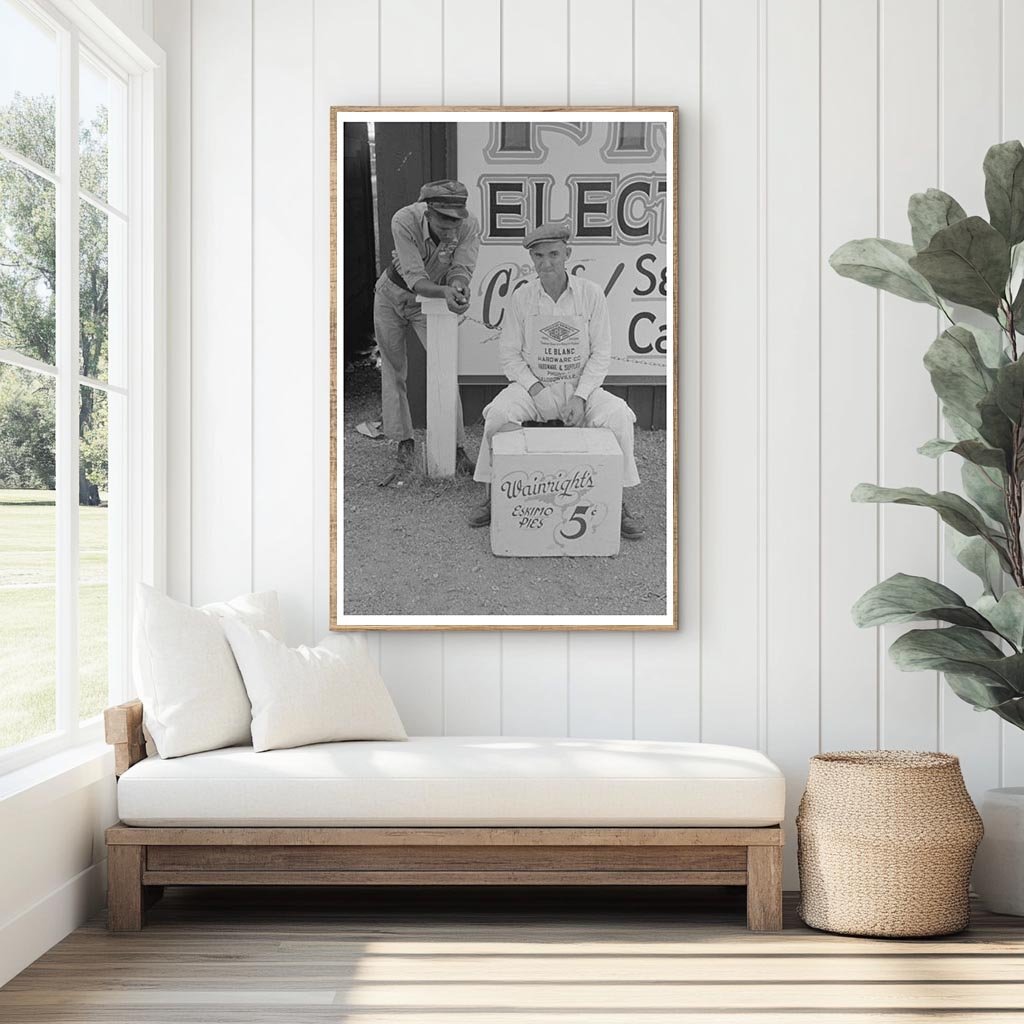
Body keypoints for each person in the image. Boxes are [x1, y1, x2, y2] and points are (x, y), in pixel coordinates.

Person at [468, 221, 645, 540]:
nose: (545, 263)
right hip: (533, 387)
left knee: (618, 416)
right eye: (538, 256)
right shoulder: (522, 298)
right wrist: (536, 390)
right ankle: (494, 495)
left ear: (567, 254)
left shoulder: (590, 295)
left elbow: (602, 353)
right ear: (531, 259)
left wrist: (580, 396)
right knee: (498, 414)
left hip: (581, 389)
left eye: (553, 254)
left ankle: (617, 502)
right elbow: (509, 355)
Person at [374, 179, 481, 482]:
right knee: (393, 369)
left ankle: (457, 449)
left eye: (456, 219)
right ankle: (404, 444)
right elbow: (415, 278)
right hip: (392, 294)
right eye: (443, 220)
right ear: (427, 210)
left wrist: (458, 288)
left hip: (432, 300)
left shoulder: (469, 225)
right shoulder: (404, 220)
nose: (451, 228)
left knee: (445, 371)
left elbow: (462, 268)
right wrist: (446, 292)